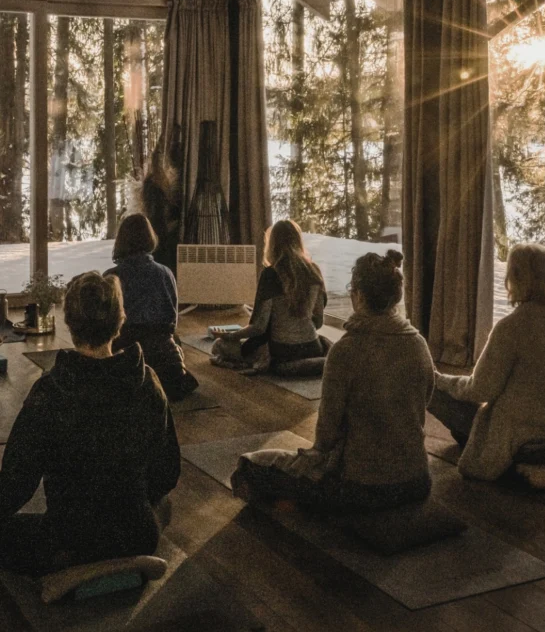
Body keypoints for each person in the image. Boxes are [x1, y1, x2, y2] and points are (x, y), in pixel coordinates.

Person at [0, 272, 180, 577]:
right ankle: (122, 562)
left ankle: (77, 571)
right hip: (136, 534)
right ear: (120, 321)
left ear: (70, 323)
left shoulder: (51, 392)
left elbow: (15, 485)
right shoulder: (147, 381)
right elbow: (167, 472)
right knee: (164, 506)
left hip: (69, 540)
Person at [231, 249, 435, 513]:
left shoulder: (346, 351)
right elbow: (425, 400)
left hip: (362, 486)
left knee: (251, 466)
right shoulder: (418, 343)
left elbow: (325, 438)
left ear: (359, 295)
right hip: (417, 481)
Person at [429, 242, 545, 481]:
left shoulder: (512, 327)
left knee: (432, 388)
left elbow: (481, 389)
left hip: (526, 436)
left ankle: (478, 446)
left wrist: (440, 380)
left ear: (516, 278)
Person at [105, 213, 199, 401]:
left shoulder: (111, 277)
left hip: (125, 358)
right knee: (175, 341)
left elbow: (106, 324)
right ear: (150, 237)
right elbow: (172, 321)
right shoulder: (165, 273)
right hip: (164, 361)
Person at [211, 220, 329, 369]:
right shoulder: (314, 271)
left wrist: (231, 336)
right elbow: (318, 322)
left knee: (218, 346)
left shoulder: (271, 274)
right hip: (312, 348)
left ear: (272, 244)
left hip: (281, 351)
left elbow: (259, 327)